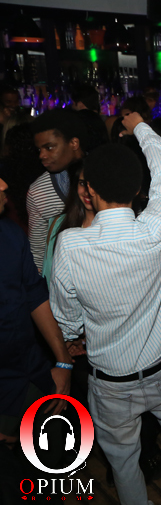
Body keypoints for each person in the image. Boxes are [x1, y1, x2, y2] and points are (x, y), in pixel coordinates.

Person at [49, 112, 161, 505]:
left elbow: (65, 315)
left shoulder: (70, 245)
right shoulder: (155, 229)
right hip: (160, 368)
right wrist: (140, 125)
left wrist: (73, 334)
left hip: (110, 382)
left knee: (123, 460)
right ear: (139, 188)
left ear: (89, 191)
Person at [0, 175, 73, 447]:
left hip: (35, 375)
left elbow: (34, 294)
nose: (4, 184)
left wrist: (63, 361)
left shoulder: (11, 234)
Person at [27, 109, 87, 272]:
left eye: (49, 147)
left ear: (74, 143)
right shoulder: (39, 190)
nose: (42, 155)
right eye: (39, 150)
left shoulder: (105, 174)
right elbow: (38, 251)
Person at [41, 165, 95, 284]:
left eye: (94, 184)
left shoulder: (117, 227)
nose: (87, 191)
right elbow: (48, 275)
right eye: (82, 183)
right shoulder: (58, 224)